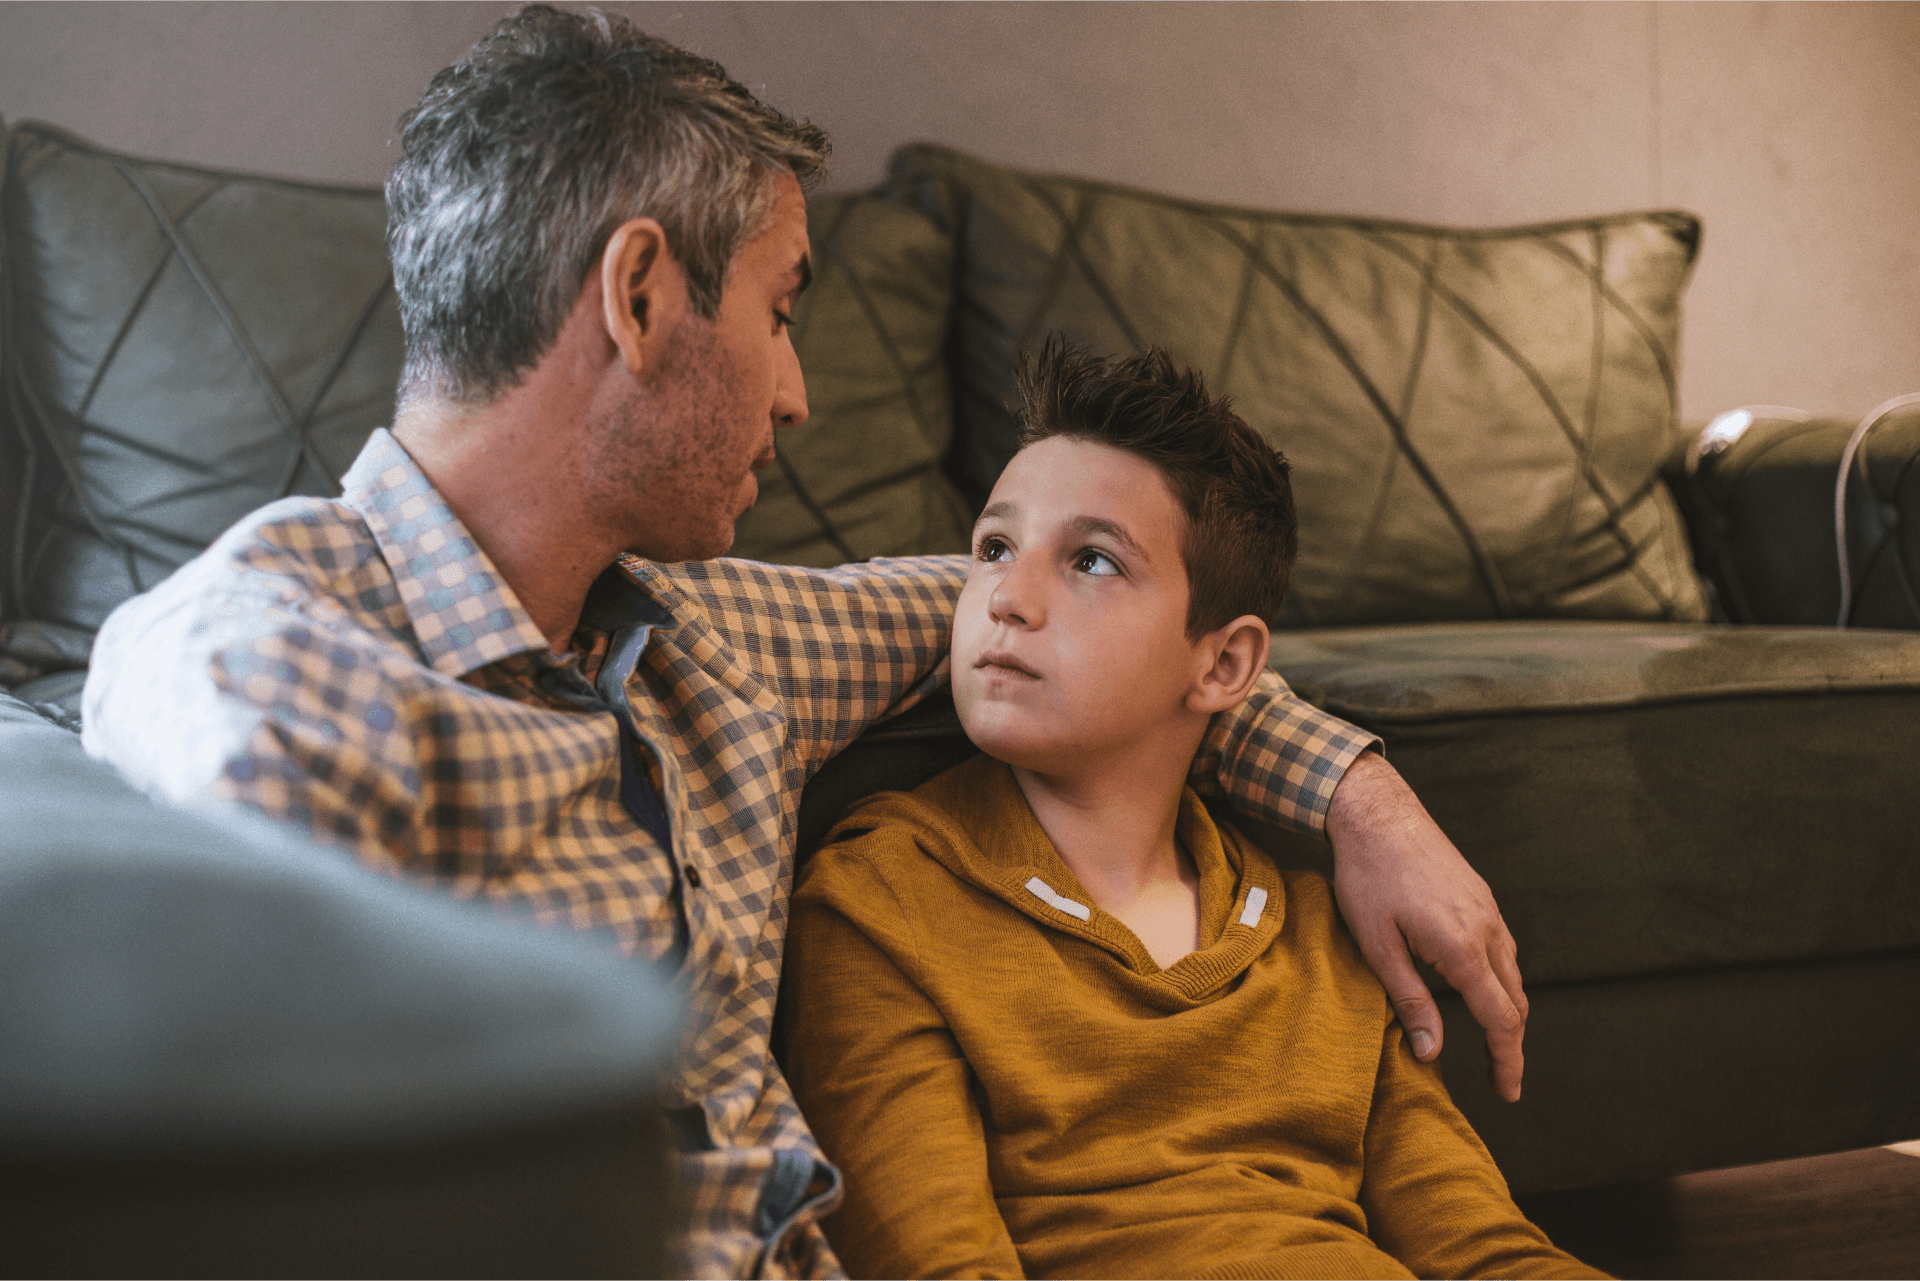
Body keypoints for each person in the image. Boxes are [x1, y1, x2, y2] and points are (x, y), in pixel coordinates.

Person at [79, 7, 1523, 1279]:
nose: (798, 394)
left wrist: (1356, 795)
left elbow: (1107, 643)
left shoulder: (720, 639)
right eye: (783, 310)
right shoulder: (268, 658)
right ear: (639, 298)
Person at [782, 342, 1603, 1281]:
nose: (1007, 597)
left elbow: (1485, 1250)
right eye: (994, 548)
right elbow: (933, 1263)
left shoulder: (1313, 928)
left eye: (1090, 560)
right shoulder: (879, 900)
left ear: (1223, 665)